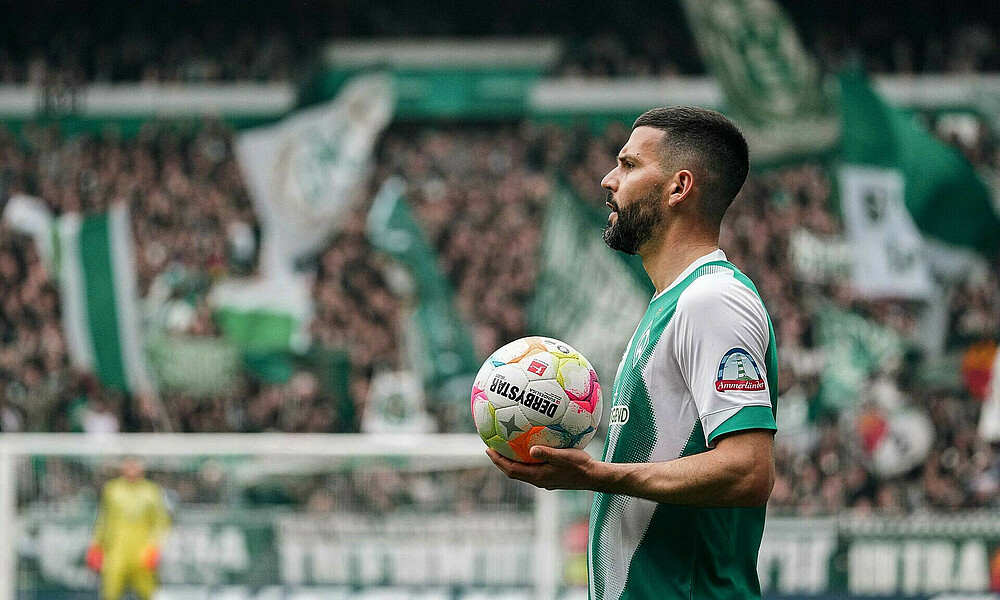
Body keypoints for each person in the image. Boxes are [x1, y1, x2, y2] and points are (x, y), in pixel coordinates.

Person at [487, 106, 778, 600]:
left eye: (628, 165)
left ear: (679, 187)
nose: (607, 179)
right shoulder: (670, 306)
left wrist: (597, 475)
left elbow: (748, 469)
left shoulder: (712, 301)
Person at [86, 458, 171, 600]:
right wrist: (96, 545)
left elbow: (161, 523)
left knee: (147, 593)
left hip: (142, 552)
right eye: (128, 465)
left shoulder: (151, 491)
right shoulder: (112, 490)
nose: (132, 469)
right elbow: (103, 520)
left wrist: (155, 547)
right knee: (111, 593)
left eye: (135, 465)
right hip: (115, 551)